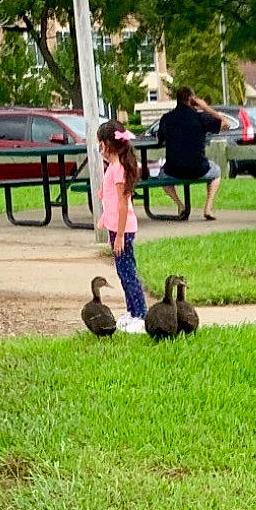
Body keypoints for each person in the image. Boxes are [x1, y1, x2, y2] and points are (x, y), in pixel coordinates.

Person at [98, 121, 147, 332]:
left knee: (128, 272)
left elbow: (122, 204)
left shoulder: (118, 170)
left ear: (108, 144)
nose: (99, 148)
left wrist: (118, 235)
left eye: (101, 143)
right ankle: (131, 310)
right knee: (122, 271)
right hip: (116, 228)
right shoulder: (114, 168)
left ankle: (141, 314)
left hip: (123, 230)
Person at [153, 86, 223, 221]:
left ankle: (180, 205)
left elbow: (159, 140)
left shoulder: (166, 118)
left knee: (161, 177)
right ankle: (208, 207)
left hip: (173, 170)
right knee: (217, 172)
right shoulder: (200, 117)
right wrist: (205, 106)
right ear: (192, 99)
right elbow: (221, 122)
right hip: (199, 168)